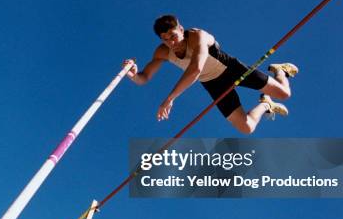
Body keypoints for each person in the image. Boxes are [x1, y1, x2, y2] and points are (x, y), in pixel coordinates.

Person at [124, 14, 298, 134]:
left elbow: (195, 69)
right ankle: (266, 105)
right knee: (246, 128)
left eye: (173, 35)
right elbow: (144, 77)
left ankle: (280, 71)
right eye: (165, 39)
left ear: (181, 29)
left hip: (231, 69)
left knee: (285, 93)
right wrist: (133, 75)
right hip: (213, 84)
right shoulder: (162, 52)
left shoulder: (197, 36)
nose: (171, 42)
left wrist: (169, 99)